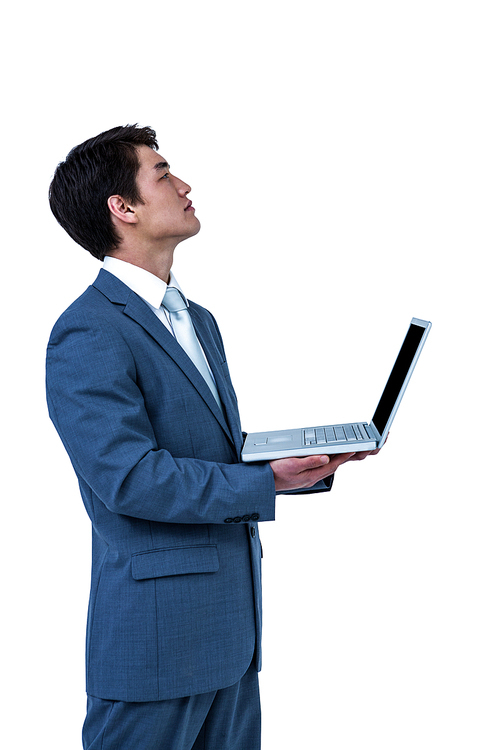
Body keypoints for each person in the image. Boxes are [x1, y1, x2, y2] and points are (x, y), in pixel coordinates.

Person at [46, 125, 380, 750]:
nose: (184, 184)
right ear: (124, 208)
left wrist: (300, 462)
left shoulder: (197, 321)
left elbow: (211, 455)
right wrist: (262, 481)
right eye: (163, 173)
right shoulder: (87, 332)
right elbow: (130, 478)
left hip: (231, 632)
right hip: (156, 644)